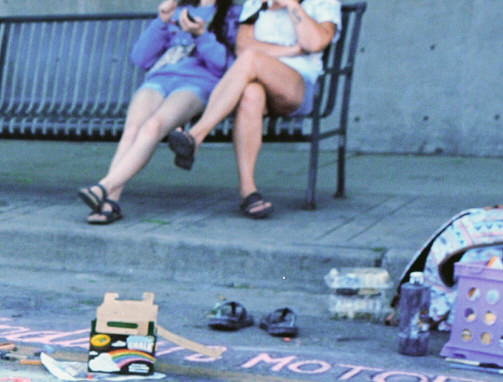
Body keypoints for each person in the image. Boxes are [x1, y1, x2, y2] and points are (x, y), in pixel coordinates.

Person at [163, 0, 339, 218]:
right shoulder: (256, 2)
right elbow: (243, 45)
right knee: (250, 94)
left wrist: (292, 5)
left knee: (251, 60)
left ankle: (196, 136)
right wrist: (292, 50)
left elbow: (314, 43)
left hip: (297, 85)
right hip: (258, 80)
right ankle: (249, 192)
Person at [78, 0, 239, 225]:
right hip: (159, 80)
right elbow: (140, 58)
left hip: (196, 85)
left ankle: (103, 187)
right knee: (133, 129)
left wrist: (202, 34)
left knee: (153, 126)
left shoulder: (232, 14)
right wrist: (161, 21)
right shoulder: (178, 8)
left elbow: (225, 67)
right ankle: (109, 202)